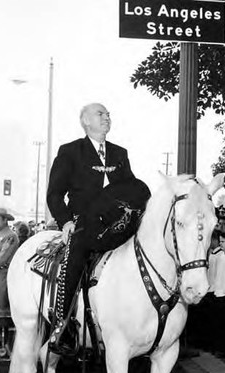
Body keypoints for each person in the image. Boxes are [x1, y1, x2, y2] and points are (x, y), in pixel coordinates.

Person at [46, 102, 149, 355]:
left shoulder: (120, 153)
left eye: (108, 114)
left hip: (118, 225)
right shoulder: (70, 151)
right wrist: (66, 222)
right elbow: (55, 194)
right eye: (100, 114)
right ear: (86, 122)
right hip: (84, 223)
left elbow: (131, 189)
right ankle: (64, 327)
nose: (107, 117)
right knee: (74, 260)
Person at [0, 208, 19, 314]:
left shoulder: (11, 236)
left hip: (3, 276)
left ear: (5, 220)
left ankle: (4, 329)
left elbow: (2, 258)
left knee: (2, 308)